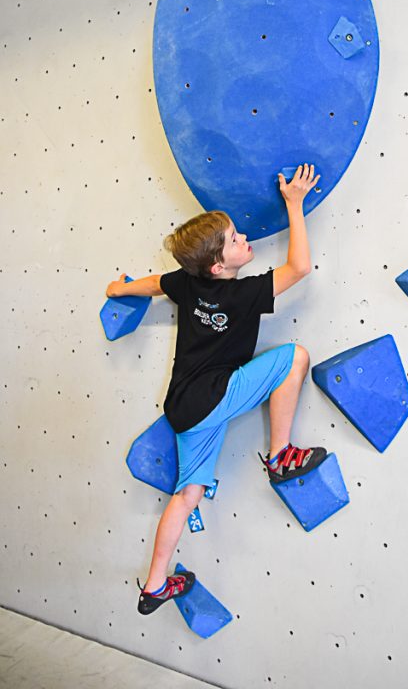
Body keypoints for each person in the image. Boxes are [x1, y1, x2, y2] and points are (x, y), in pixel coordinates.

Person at [105, 164, 326, 616]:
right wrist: (294, 203)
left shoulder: (186, 283)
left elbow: (151, 285)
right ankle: (281, 456)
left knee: (188, 494)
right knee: (295, 357)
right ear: (219, 265)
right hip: (214, 396)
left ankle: (154, 586)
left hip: (183, 408)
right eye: (234, 239)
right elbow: (300, 266)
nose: (244, 236)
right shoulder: (243, 295)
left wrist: (117, 289)